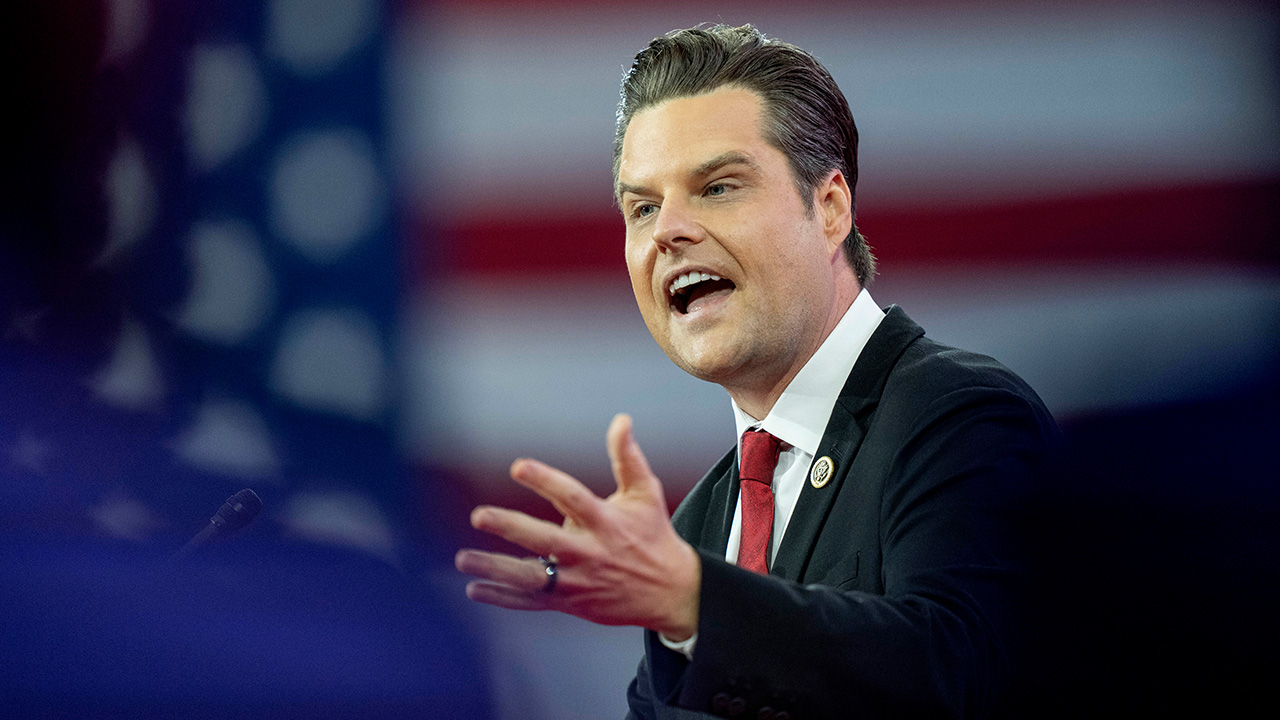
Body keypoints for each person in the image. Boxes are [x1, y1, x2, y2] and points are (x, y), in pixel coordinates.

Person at [455, 24, 1060, 719]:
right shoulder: (695, 527)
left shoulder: (961, 416)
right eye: (643, 206)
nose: (667, 231)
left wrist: (694, 601)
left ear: (830, 208)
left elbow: (959, 670)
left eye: (717, 187)